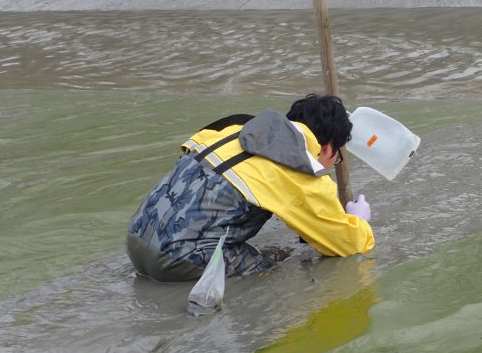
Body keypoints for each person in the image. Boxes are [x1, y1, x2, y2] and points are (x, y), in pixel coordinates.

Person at [126, 94, 374, 282]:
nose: (332, 164)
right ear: (329, 147)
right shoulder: (301, 169)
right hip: (178, 260)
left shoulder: (233, 131)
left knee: (273, 252)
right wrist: (358, 221)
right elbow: (347, 245)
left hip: (136, 239)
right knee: (277, 276)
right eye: (336, 157)